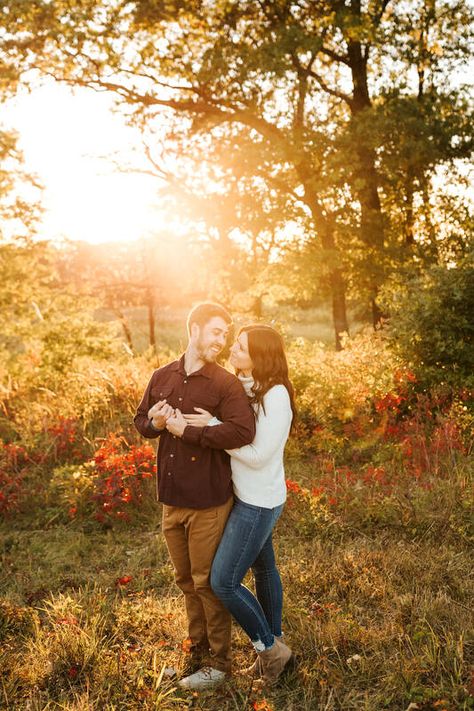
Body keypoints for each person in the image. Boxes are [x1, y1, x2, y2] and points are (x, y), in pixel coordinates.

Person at [133, 303, 256, 690]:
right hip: (172, 498)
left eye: (226, 335)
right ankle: (198, 649)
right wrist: (154, 421)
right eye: (216, 332)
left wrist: (193, 432)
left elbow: (242, 433)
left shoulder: (225, 383)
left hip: (208, 501)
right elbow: (142, 422)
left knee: (206, 582)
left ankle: (220, 665)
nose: (222, 341)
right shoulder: (162, 375)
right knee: (185, 579)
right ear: (196, 329)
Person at [183, 324, 296, 686]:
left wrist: (215, 428)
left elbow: (260, 454)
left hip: (258, 502)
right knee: (264, 571)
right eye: (235, 345)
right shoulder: (253, 385)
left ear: (260, 356)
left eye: (242, 348)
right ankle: (276, 651)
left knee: (223, 581)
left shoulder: (276, 395)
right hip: (247, 496)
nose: (232, 350)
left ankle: (269, 650)